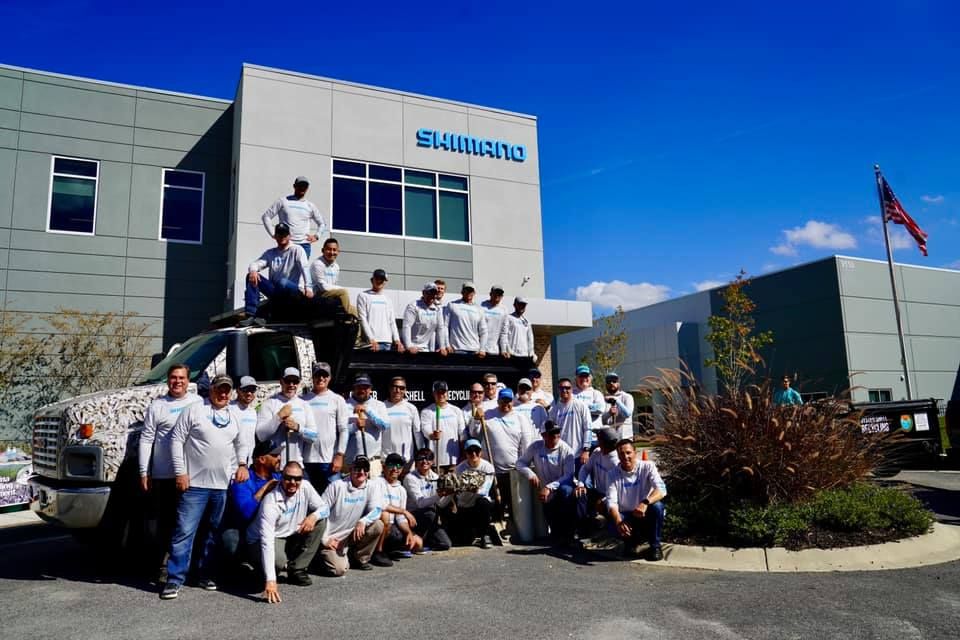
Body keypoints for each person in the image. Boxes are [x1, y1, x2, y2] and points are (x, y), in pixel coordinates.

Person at [160, 374, 250, 599]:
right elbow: (176, 439)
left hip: (221, 487)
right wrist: (180, 472)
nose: (223, 394)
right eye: (219, 389)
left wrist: (242, 464)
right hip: (194, 485)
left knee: (212, 533)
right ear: (211, 390)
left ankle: (203, 574)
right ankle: (174, 579)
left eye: (227, 390)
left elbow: (241, 444)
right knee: (184, 532)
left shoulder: (233, 416)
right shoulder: (195, 410)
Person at [138, 364, 201, 579]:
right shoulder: (158, 405)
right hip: (163, 474)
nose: (177, 382)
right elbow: (146, 439)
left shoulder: (197, 402)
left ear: (188, 380)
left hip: (191, 474)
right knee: (165, 523)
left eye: (182, 378)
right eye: (173, 378)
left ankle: (188, 565)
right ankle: (163, 565)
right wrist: (144, 472)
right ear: (168, 380)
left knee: (187, 523)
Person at [248, 461, 328, 603]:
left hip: (289, 533)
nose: (293, 482)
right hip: (261, 540)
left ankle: (297, 569)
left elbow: (325, 508)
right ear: (281, 477)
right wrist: (271, 581)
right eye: (288, 478)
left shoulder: (306, 487)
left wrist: (313, 516)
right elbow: (267, 542)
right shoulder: (270, 502)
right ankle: (254, 570)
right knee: (276, 563)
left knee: (320, 522)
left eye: (297, 478)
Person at [468, 388, 533, 521]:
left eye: (509, 401)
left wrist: (522, 466)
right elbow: (474, 434)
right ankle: (496, 525)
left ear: (513, 402)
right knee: (495, 503)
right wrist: (475, 419)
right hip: (492, 470)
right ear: (498, 401)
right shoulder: (488, 415)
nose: (506, 404)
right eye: (503, 401)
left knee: (514, 504)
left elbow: (526, 445)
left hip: (513, 471)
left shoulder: (520, 418)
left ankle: (513, 527)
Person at [316, 456, 385, 575]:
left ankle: (359, 559)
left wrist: (363, 521)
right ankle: (318, 556)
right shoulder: (337, 485)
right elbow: (321, 512)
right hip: (332, 537)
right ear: (351, 469)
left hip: (351, 535)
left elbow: (377, 510)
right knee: (339, 570)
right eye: (357, 468)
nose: (361, 472)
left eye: (365, 468)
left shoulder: (373, 486)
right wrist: (324, 539)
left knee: (378, 525)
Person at [221, 440, 283, 567]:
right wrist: (264, 490)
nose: (279, 458)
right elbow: (246, 514)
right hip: (243, 529)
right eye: (275, 455)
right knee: (231, 542)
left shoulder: (279, 476)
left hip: (269, 527)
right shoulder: (243, 478)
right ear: (261, 459)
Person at [516, 420, 577, 544]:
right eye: (551, 433)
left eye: (557, 432)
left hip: (560, 487)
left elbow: (568, 475)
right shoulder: (536, 447)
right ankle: (558, 534)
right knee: (553, 523)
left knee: (566, 491)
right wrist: (530, 474)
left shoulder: (566, 450)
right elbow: (520, 463)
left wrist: (550, 487)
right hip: (545, 491)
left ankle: (570, 533)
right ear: (544, 435)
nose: (555, 436)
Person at [242, 222, 314, 325]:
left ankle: (265, 314)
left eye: (284, 234)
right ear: (275, 236)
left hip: (293, 291)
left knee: (282, 282)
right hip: (276, 291)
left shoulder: (297, 250)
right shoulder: (271, 253)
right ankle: (251, 314)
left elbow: (305, 268)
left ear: (289, 235)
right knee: (251, 276)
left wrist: (309, 287)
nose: (282, 237)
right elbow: (256, 263)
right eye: (279, 234)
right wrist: (253, 271)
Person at [606, 440, 666, 561]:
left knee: (657, 507)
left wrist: (645, 502)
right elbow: (611, 502)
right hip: (627, 516)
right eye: (621, 454)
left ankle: (655, 546)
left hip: (644, 513)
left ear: (635, 452)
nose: (625, 457)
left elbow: (662, 489)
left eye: (628, 452)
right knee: (612, 524)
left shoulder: (647, 466)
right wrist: (619, 522)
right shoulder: (612, 474)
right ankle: (630, 543)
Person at [301, 362, 348, 493]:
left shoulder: (337, 399)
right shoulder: (303, 400)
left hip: (329, 460)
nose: (321, 379)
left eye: (324, 375)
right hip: (306, 459)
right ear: (313, 377)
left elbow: (344, 430)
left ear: (329, 378)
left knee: (334, 496)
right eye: (318, 375)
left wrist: (339, 455)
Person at [255, 367, 317, 466]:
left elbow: (313, 436)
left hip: (296, 466)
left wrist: (297, 427)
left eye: (295, 381)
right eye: (288, 381)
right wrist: (278, 417)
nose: (291, 385)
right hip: (274, 466)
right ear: (281, 381)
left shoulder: (304, 405)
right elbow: (261, 435)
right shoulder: (269, 403)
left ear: (299, 383)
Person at [370, 453, 423, 566]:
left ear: (402, 469)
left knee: (418, 543)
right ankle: (377, 552)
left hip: (393, 528)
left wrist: (409, 532)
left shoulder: (401, 490)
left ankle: (390, 550)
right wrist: (404, 511)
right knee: (385, 515)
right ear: (384, 467)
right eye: (391, 465)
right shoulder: (375, 482)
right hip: (377, 524)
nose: (395, 468)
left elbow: (400, 518)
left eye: (398, 466)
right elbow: (380, 505)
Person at [260, 176, 328, 258]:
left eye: (305, 186)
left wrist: (317, 236)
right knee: (284, 270)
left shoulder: (310, 206)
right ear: (294, 186)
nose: (302, 188)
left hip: (304, 245)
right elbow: (266, 217)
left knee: (301, 270)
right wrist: (273, 234)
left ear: (307, 188)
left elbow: (322, 223)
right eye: (300, 185)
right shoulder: (283, 201)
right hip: (287, 243)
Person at [402, 448, 453, 551]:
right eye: (421, 458)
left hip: (430, 517)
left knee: (446, 544)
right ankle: (415, 536)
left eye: (428, 458)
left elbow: (441, 504)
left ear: (432, 461)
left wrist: (451, 493)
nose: (425, 461)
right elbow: (420, 503)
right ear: (416, 461)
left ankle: (425, 539)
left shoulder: (435, 477)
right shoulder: (410, 478)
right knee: (430, 513)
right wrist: (439, 495)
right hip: (414, 516)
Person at [575, 427, 620, 536]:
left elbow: (619, 489)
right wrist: (580, 483)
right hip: (597, 492)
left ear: (604, 442)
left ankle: (612, 530)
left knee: (607, 506)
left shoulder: (617, 461)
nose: (597, 441)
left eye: (599, 438)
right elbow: (585, 469)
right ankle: (583, 530)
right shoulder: (596, 452)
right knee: (580, 494)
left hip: (612, 496)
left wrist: (605, 499)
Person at [452, 439, 496, 548]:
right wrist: (466, 489)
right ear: (465, 453)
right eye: (470, 451)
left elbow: (485, 489)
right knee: (464, 541)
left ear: (481, 452)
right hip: (464, 505)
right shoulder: (459, 469)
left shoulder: (488, 467)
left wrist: (474, 489)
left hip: (479, 503)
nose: (474, 454)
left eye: (476, 451)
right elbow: (458, 492)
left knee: (484, 502)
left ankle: (485, 535)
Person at [345, 373, 390, 477]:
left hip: (373, 462)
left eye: (365, 387)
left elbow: (384, 426)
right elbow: (339, 432)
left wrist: (367, 411)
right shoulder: (344, 405)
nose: (362, 390)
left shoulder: (379, 405)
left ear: (370, 389)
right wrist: (354, 426)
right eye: (359, 387)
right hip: (352, 463)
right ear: (354, 388)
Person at [420, 381, 468, 472]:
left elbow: (462, 433)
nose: (441, 395)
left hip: (454, 460)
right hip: (435, 461)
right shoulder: (426, 411)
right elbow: (426, 430)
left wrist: (463, 454)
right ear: (434, 393)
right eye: (438, 392)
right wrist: (432, 435)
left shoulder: (456, 410)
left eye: (443, 392)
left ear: (447, 393)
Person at [548, 378, 594, 466]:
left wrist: (586, 450)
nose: (564, 390)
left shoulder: (581, 405)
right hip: (562, 455)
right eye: (561, 388)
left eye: (567, 388)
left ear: (572, 389)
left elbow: (588, 428)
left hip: (579, 454)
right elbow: (552, 434)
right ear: (558, 390)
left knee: (582, 479)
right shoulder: (554, 410)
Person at [356, 269, 403, 352]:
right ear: (372, 280)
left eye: (382, 279)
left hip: (388, 342)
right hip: (372, 343)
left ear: (385, 281)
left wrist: (397, 340)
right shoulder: (363, 296)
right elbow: (363, 319)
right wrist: (371, 339)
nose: (379, 281)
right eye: (377, 278)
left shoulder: (388, 299)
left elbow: (392, 321)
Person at [310, 237, 357, 317]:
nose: (332, 252)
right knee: (343, 293)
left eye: (334, 250)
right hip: (318, 295)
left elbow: (334, 286)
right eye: (329, 249)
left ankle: (356, 326)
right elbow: (323, 287)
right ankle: (347, 317)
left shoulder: (336, 267)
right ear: (323, 250)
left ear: (338, 252)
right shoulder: (318, 264)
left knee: (356, 311)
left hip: (329, 295)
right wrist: (341, 289)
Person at [382, 376, 422, 462]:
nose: (398, 390)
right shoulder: (381, 407)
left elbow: (417, 433)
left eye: (401, 388)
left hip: (406, 459)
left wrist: (422, 455)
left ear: (405, 390)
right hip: (386, 460)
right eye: (395, 387)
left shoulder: (411, 408)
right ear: (389, 388)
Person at [402, 282, 449, 354]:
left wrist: (442, 347)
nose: (432, 296)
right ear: (423, 293)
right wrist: (408, 346)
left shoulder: (438, 308)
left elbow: (440, 328)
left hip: (425, 348)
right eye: (429, 293)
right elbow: (407, 326)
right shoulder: (413, 306)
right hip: (411, 348)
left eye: (434, 293)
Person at [444, 281, 487, 356]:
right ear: (462, 292)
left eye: (471, 291)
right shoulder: (452, 305)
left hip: (475, 351)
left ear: (474, 293)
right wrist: (447, 345)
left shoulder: (479, 309)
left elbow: (483, 331)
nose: (468, 293)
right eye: (466, 290)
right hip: (457, 349)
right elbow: (445, 326)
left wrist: (482, 349)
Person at [230, 376, 260, 465]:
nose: (249, 393)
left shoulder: (253, 412)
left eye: (253, 389)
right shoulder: (229, 408)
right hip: (232, 463)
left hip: (249, 463)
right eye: (245, 389)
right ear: (238, 390)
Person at [602, 372, 635, 440]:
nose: (611, 383)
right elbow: (600, 420)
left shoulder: (627, 397)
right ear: (605, 384)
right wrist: (609, 413)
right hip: (609, 439)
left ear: (618, 383)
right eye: (609, 381)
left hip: (625, 438)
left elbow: (628, 414)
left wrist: (616, 400)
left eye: (614, 381)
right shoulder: (602, 399)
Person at [574, 364, 606, 433]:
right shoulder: (571, 394)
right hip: (577, 436)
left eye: (586, 376)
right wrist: (591, 407)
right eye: (581, 376)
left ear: (591, 378)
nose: (584, 379)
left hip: (594, 436)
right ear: (576, 379)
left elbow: (600, 409)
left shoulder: (596, 393)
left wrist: (579, 408)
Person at [480, 285, 508, 356]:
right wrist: (481, 348)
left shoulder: (504, 310)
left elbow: (504, 332)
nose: (497, 295)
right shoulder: (482, 306)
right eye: (495, 293)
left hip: (495, 351)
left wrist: (503, 350)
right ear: (490, 294)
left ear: (502, 296)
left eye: (499, 294)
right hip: (480, 350)